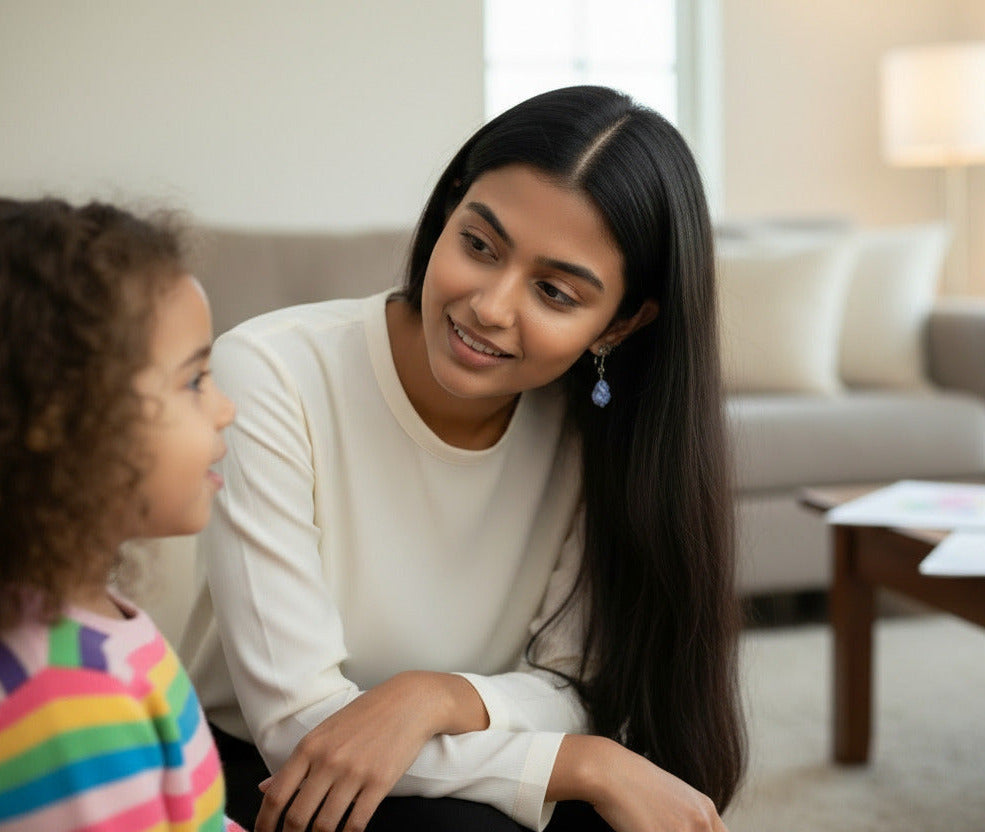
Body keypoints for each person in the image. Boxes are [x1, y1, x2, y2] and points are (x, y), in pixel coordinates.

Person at [181, 84, 745, 832]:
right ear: (448, 210)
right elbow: (298, 725)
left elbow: (568, 682)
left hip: (461, 734)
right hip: (265, 761)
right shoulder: (271, 371)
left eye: (553, 291)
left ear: (621, 324)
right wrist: (585, 763)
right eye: (479, 246)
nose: (489, 305)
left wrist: (439, 696)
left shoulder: (598, 432)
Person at [0, 199, 240, 831]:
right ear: (60, 424)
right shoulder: (69, 704)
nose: (226, 409)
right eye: (194, 382)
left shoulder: (82, 619)